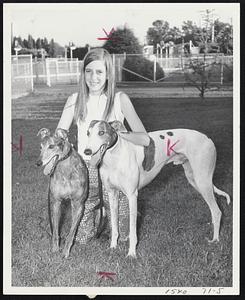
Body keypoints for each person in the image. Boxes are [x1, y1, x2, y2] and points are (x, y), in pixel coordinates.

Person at [57, 47, 149, 244]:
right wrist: (59, 142)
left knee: (124, 236)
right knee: (83, 238)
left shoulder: (119, 100)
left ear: (108, 74)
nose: (93, 77)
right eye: (88, 71)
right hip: (87, 165)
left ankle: (113, 209)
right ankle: (96, 209)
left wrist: (122, 132)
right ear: (83, 74)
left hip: (116, 167)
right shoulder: (74, 100)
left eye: (99, 72)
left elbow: (144, 139)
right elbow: (60, 134)